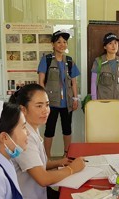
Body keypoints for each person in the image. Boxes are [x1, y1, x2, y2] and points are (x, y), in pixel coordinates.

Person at [8, 84, 86, 199]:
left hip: (39, 194)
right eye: (39, 106)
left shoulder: (32, 128)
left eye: (47, 104)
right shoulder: (23, 135)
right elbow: (43, 178)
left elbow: (38, 163)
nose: (46, 110)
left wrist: (60, 162)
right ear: (23, 109)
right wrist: (72, 169)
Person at [38, 30, 80, 158]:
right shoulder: (47, 59)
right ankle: (47, 158)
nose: (62, 44)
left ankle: (66, 156)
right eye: (59, 42)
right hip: (51, 102)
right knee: (49, 131)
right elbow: (41, 82)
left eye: (65, 42)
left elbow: (74, 82)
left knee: (67, 130)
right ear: (53, 44)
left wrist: (75, 99)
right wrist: (43, 103)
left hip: (66, 103)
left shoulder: (69, 61)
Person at [91, 32, 119, 113]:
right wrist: (94, 101)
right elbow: (93, 83)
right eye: (110, 43)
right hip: (103, 103)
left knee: (117, 125)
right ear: (105, 46)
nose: (114, 45)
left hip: (118, 102)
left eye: (115, 43)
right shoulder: (98, 62)